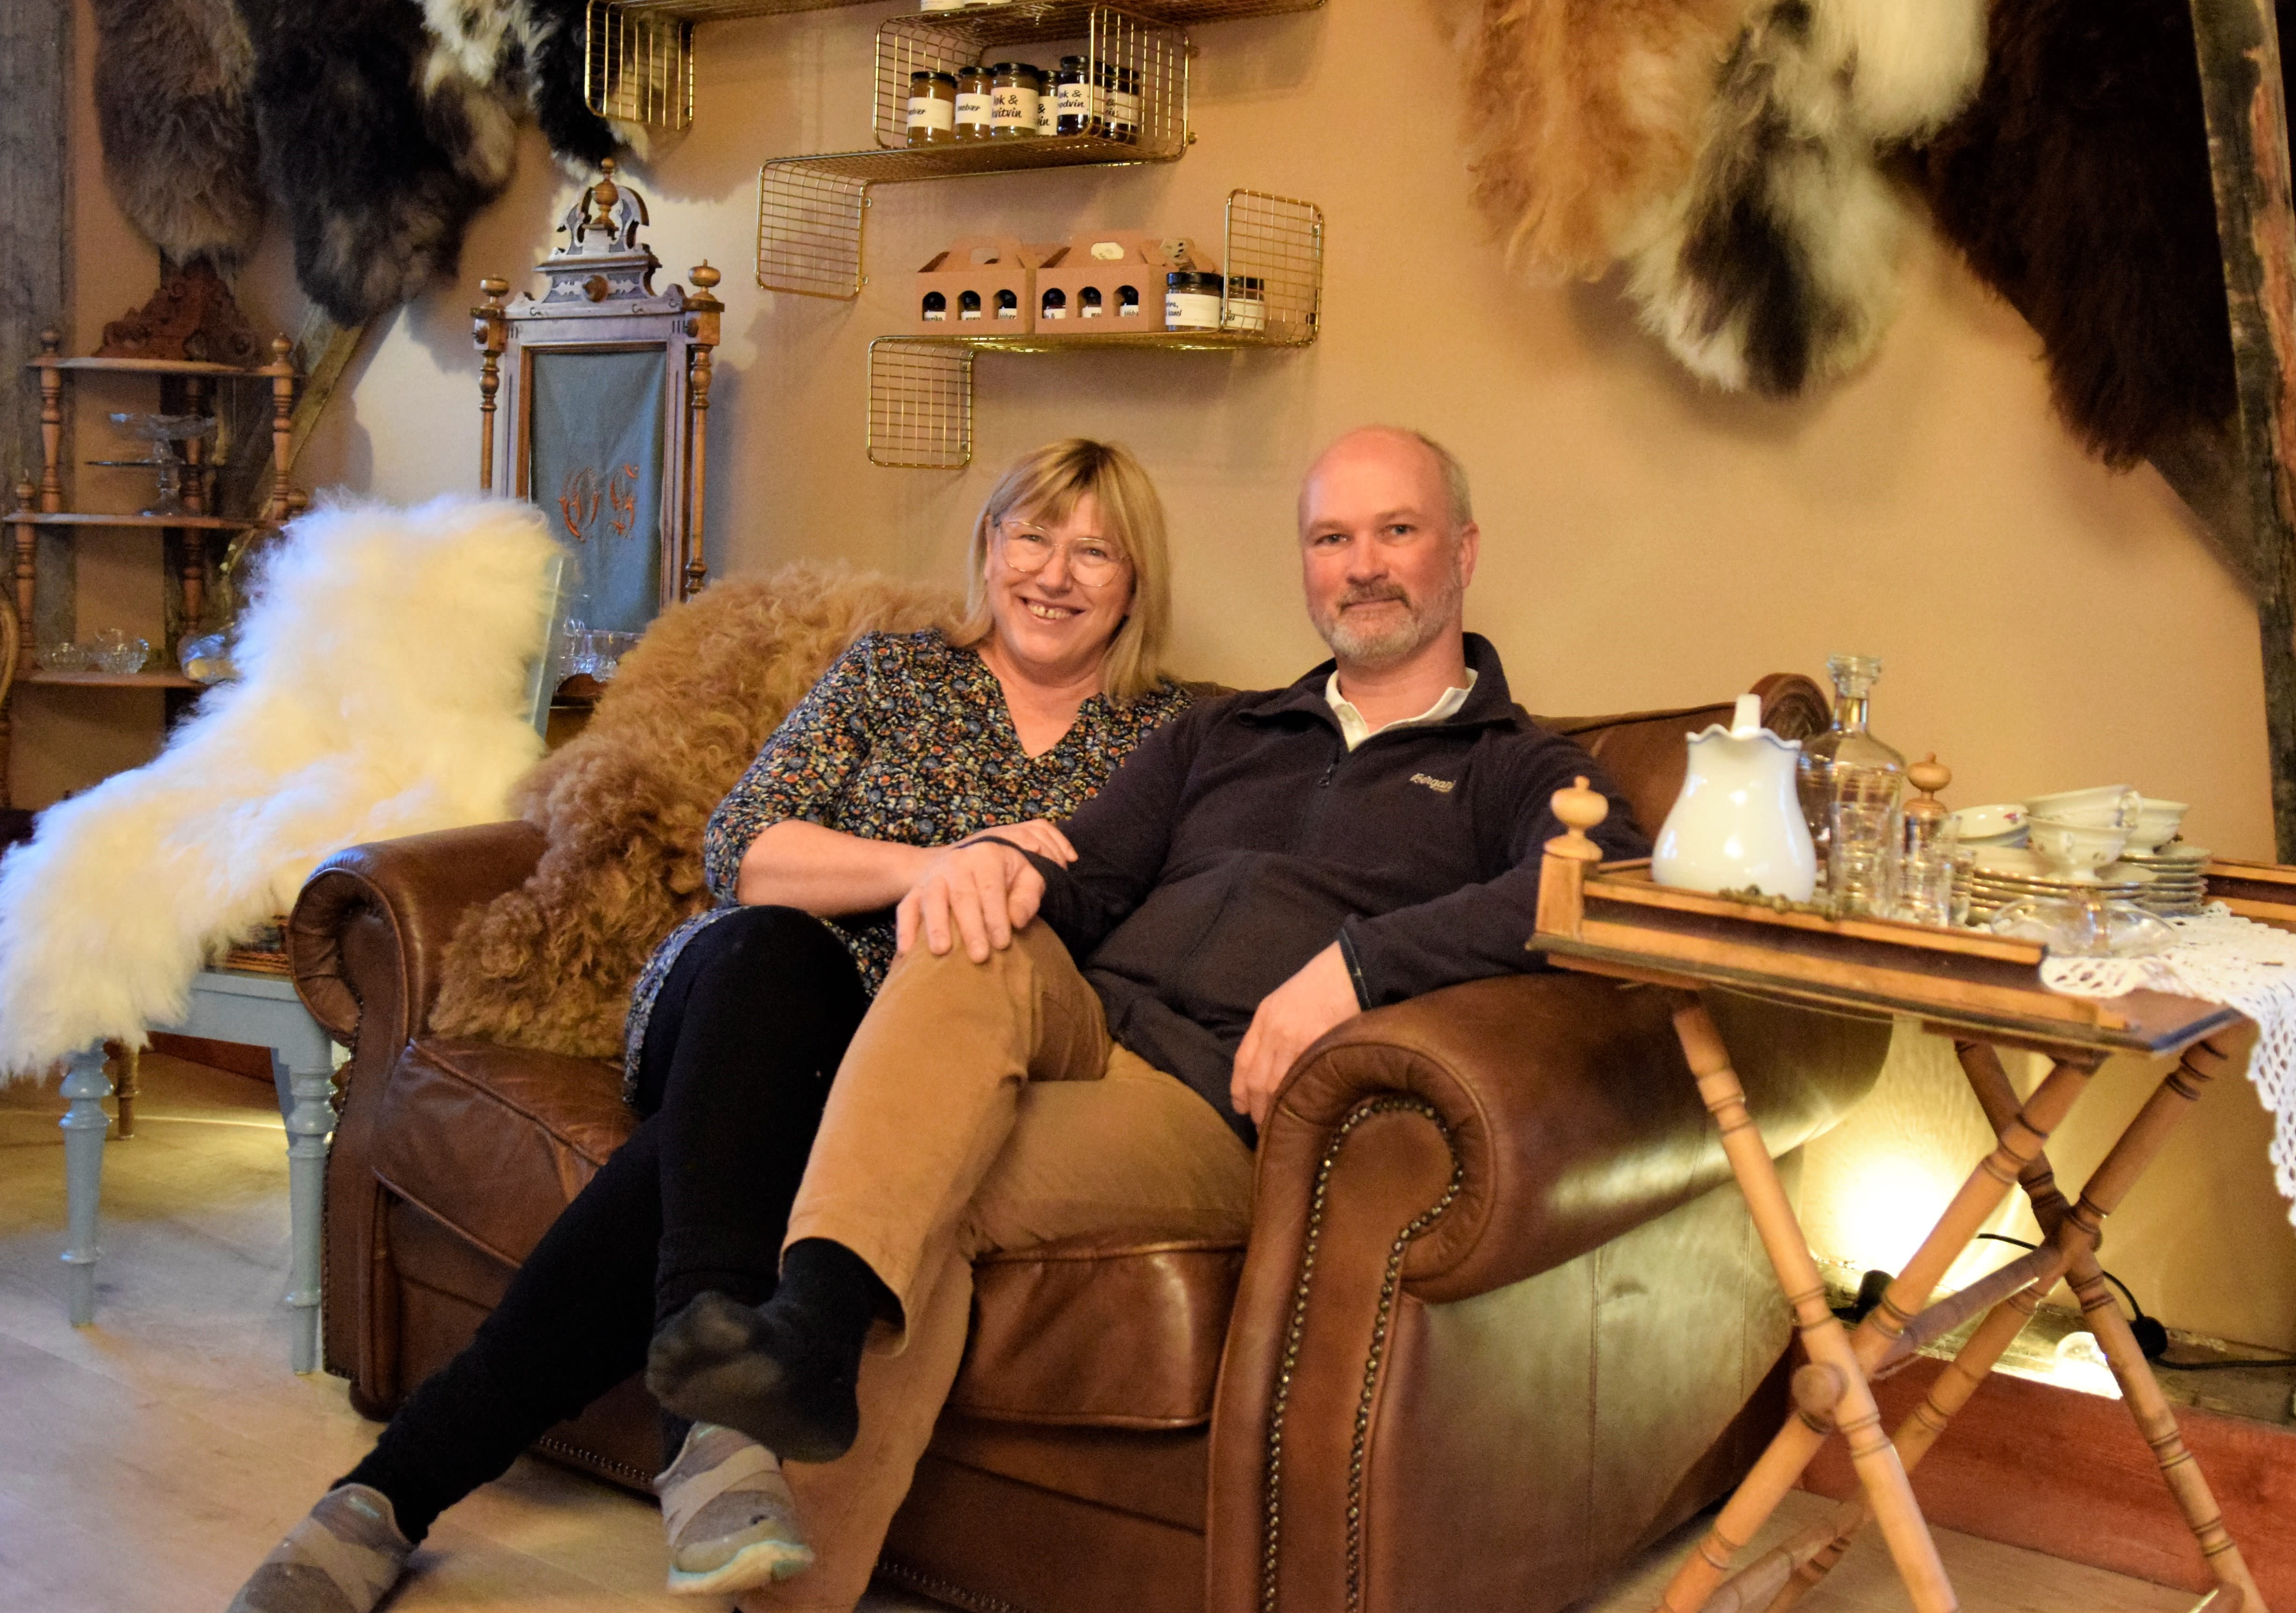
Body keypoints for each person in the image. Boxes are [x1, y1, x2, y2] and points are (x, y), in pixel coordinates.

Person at [642, 426, 1650, 1609]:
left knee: (930, 1184)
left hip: (1214, 1097)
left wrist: (1358, 966)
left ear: (1463, 551)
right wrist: (995, 866)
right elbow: (1089, 875)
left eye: (1396, 531)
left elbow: (1599, 882)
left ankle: (804, 1401)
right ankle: (812, 1324)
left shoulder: (1520, 767)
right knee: (970, 921)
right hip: (1087, 1021)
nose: (1363, 564)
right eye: (1332, 537)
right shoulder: (1226, 731)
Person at [228, 439, 1190, 1613]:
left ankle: (386, 1494)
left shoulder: (1162, 741)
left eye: (1095, 551)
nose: (1054, 572)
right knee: (775, 947)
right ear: (990, 546)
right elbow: (749, 849)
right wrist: (943, 864)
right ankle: (709, 1432)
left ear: (1135, 584)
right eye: (1032, 534)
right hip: (743, 998)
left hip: (911, 1075)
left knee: (709, 1163)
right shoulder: (895, 673)